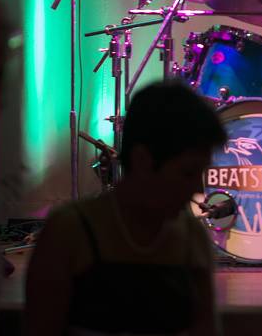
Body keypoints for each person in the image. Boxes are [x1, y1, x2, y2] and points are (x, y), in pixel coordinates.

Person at [24, 82, 228, 336]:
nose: (197, 188)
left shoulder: (192, 238)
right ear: (143, 160)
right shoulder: (69, 232)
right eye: (188, 173)